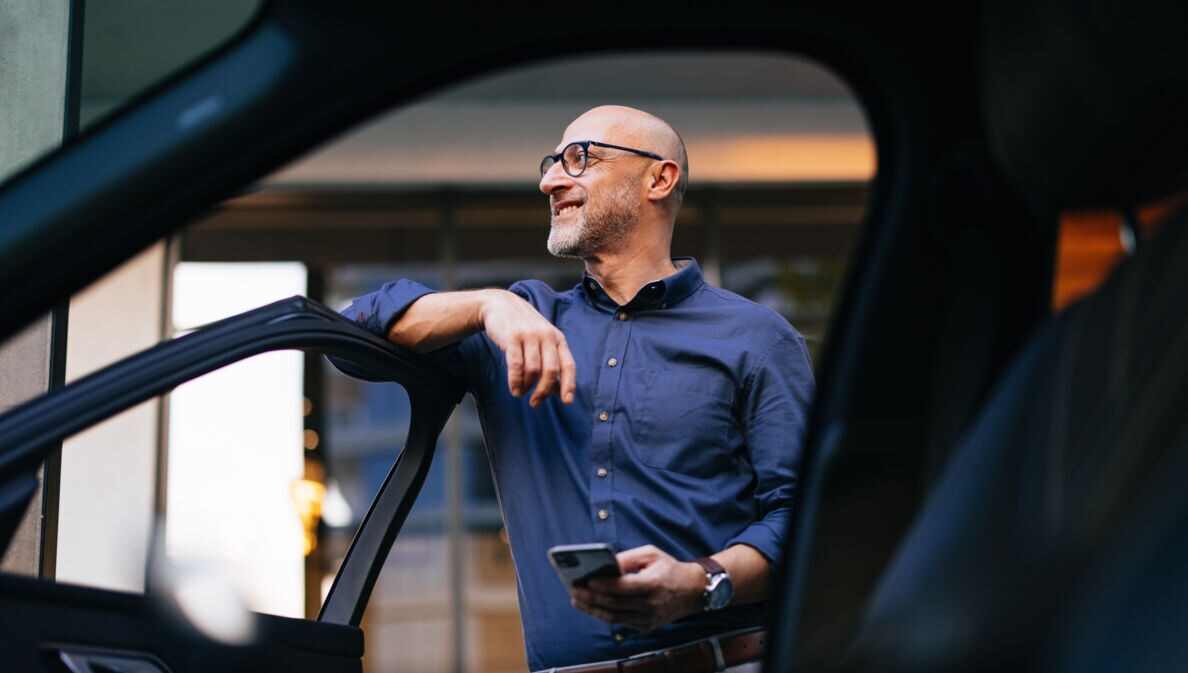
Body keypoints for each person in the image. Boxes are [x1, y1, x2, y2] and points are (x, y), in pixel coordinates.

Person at [336, 105, 815, 672]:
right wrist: (489, 304)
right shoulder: (515, 326)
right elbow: (348, 335)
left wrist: (700, 581)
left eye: (579, 159)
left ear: (658, 179)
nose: (550, 180)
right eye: (552, 163)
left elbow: (809, 523)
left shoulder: (757, 338)